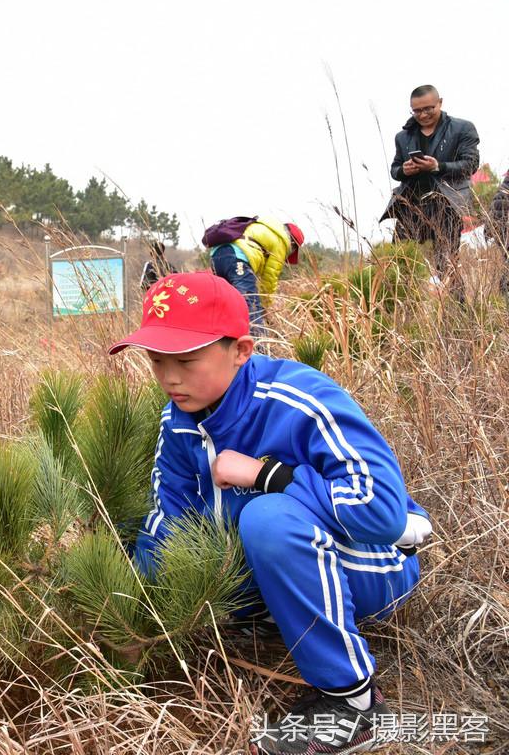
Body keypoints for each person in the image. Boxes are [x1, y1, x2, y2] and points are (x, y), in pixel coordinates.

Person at [110, 271, 432, 755]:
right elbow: (169, 520)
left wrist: (266, 476)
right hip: (272, 577)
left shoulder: (298, 398)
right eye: (157, 361)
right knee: (188, 539)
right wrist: (128, 614)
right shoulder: (177, 420)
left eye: (185, 360)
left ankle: (353, 705)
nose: (170, 377)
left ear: (241, 350)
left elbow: (381, 510)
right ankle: (279, 618)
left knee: (267, 518)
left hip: (368, 568)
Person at [381, 85, 479, 292]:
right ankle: (401, 313)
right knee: (399, 262)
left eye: (428, 109)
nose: (423, 114)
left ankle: (457, 314)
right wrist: (404, 170)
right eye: (416, 111)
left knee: (447, 265)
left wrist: (438, 166)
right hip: (411, 207)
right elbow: (395, 169)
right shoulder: (403, 136)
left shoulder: (463, 128)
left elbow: (471, 164)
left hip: (446, 206)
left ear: (440, 103)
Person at [207, 217, 304, 334]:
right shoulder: (282, 241)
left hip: (216, 257)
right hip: (237, 258)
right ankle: (259, 347)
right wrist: (265, 307)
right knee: (252, 305)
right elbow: (269, 278)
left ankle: (223, 342)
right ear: (293, 243)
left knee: (226, 304)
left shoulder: (262, 226)